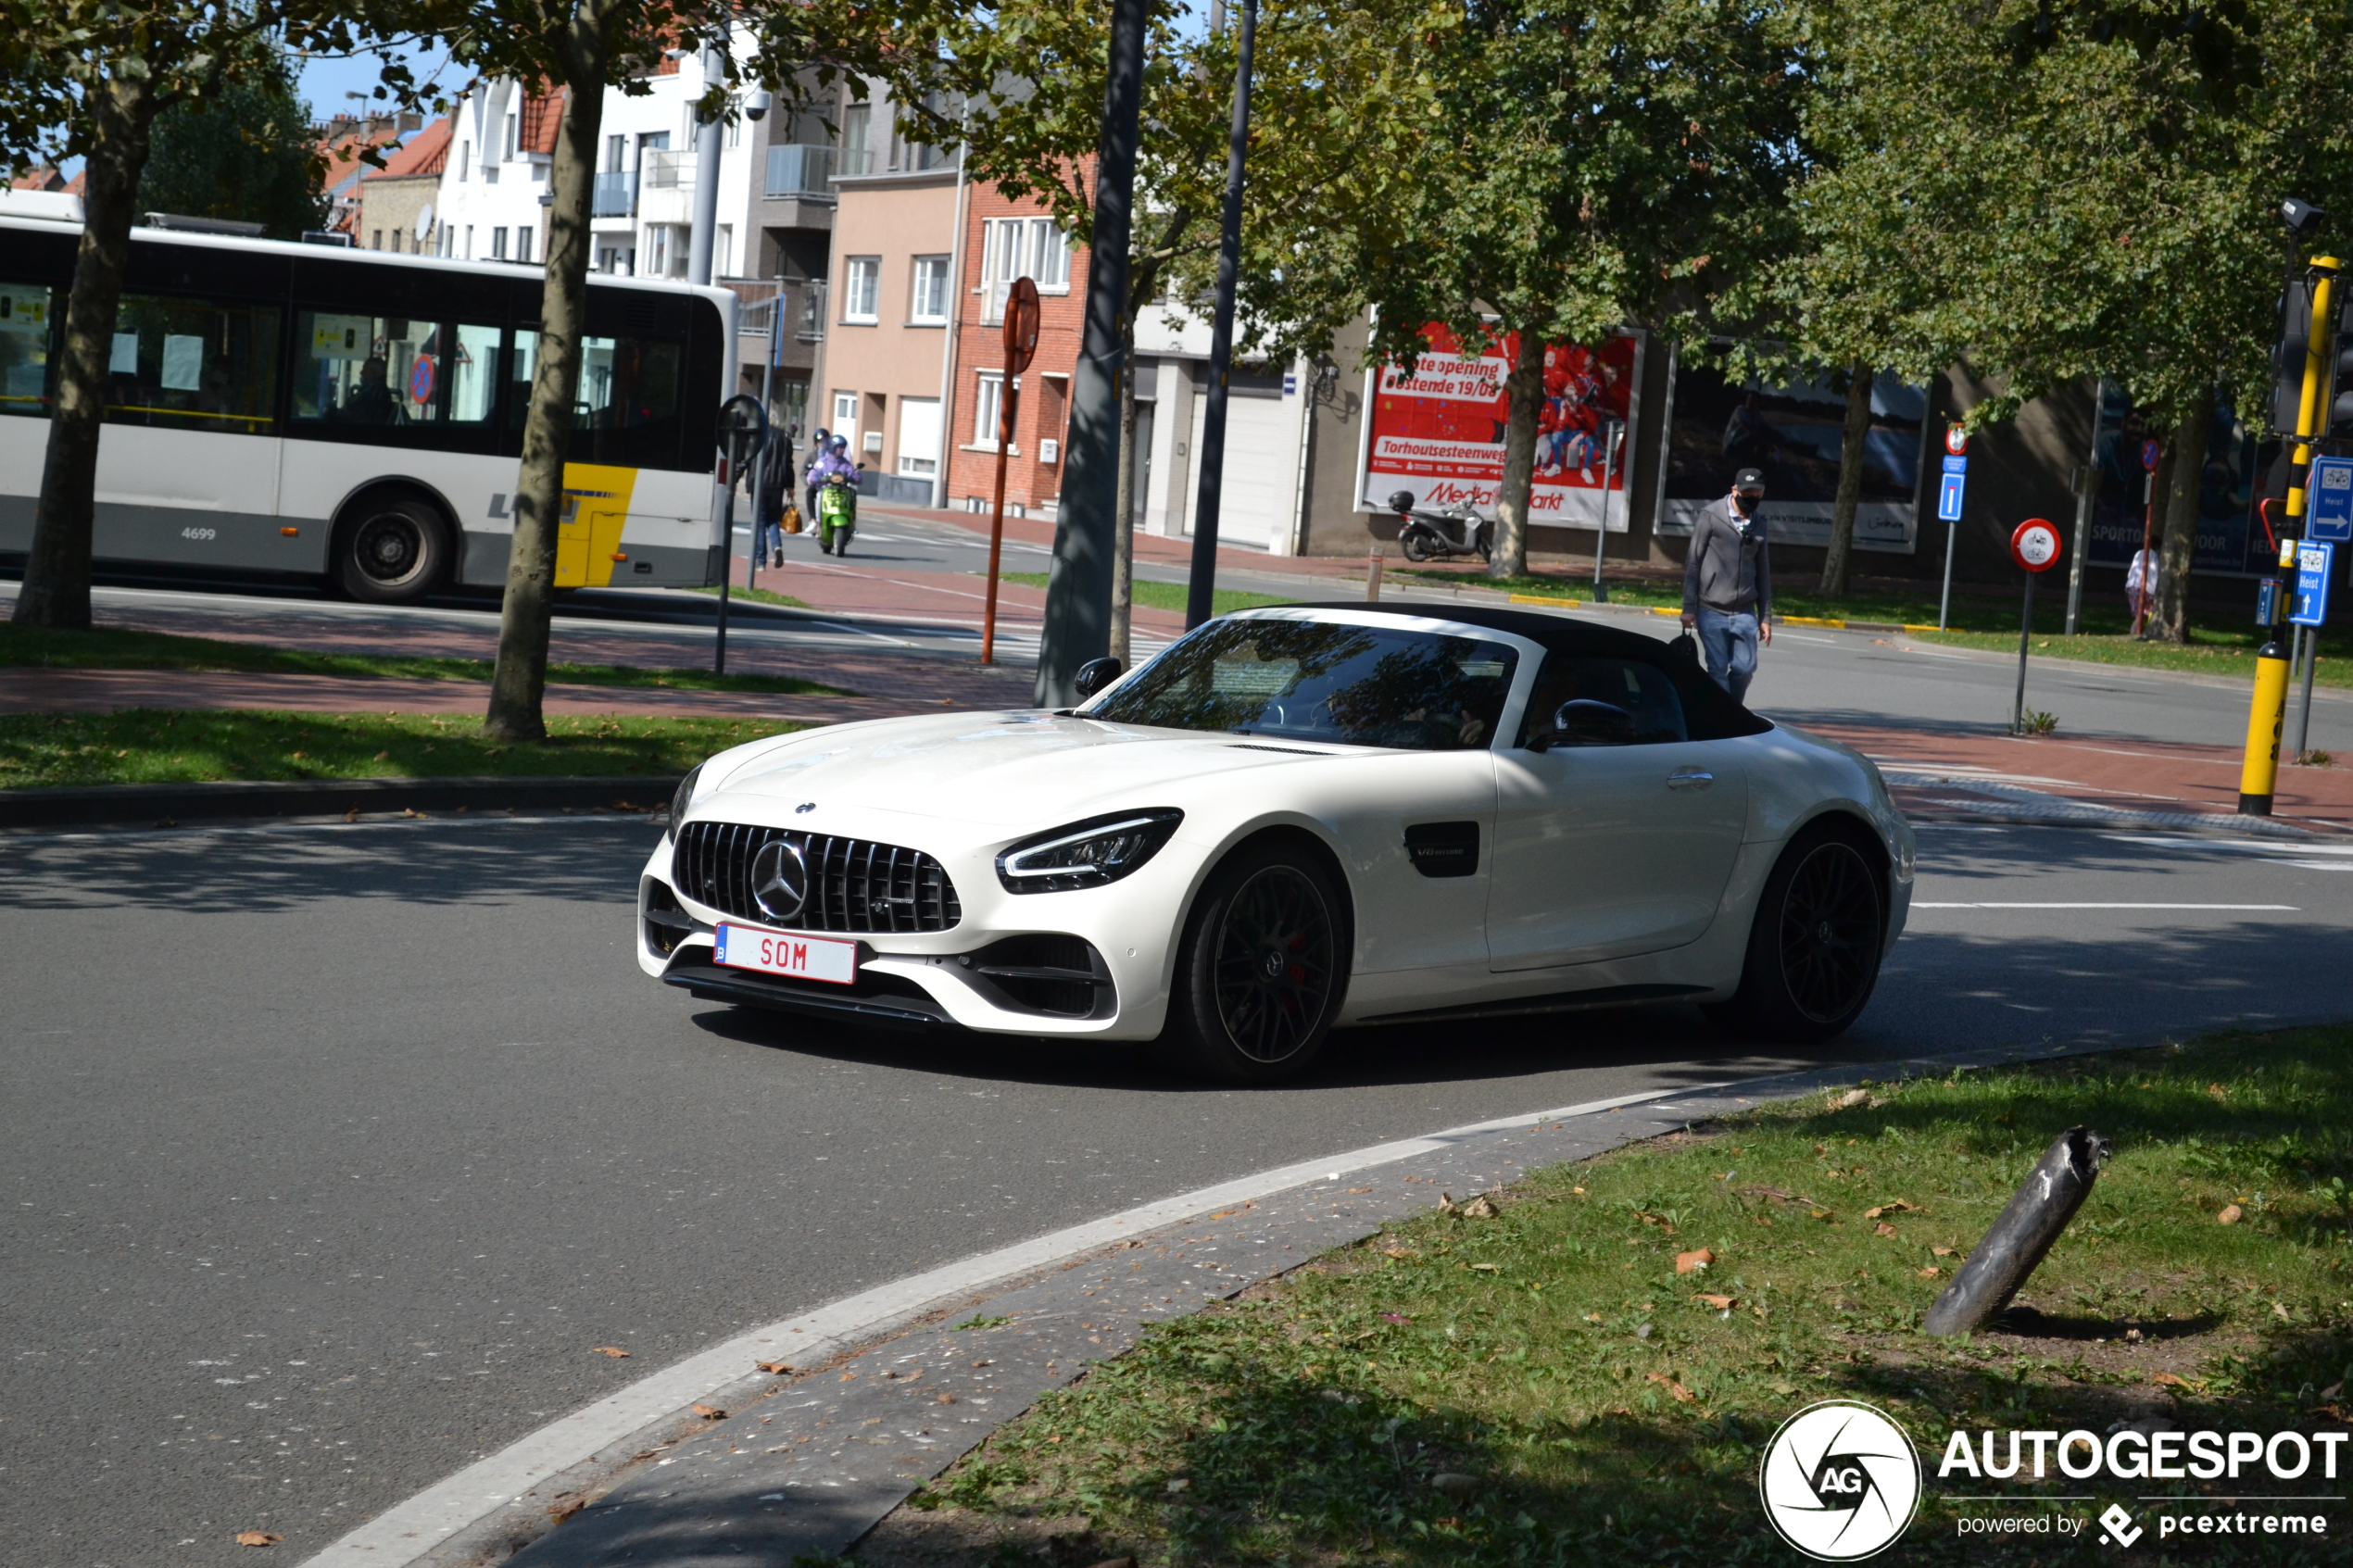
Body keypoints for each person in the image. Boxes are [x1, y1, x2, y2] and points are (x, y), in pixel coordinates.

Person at [1680, 466, 1774, 703]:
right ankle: (1724, 719)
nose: (1751, 497)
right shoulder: (1710, 516)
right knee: (1717, 669)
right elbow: (1694, 562)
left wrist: (1765, 617)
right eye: (1746, 492)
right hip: (1711, 609)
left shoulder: (1760, 522)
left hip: (1745, 611)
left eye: (1756, 493)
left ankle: (1730, 710)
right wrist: (1688, 607)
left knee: (1745, 668)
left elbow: (1763, 572)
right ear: (1734, 490)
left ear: (1762, 493)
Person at [755, 424, 794, 568]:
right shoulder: (785, 437)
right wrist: (790, 486)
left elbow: (748, 457)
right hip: (778, 485)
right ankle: (777, 546)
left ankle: (761, 562)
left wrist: (735, 477)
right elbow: (788, 464)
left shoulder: (759, 433)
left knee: (759, 523)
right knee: (773, 519)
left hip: (759, 483)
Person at [2125, 545, 2158, 634]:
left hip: (2132, 586)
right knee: (2143, 615)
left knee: (2139, 615)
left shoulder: (2139, 553)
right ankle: (2135, 633)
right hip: (2143, 587)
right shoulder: (2153, 554)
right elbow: (2154, 572)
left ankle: (2138, 632)